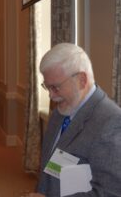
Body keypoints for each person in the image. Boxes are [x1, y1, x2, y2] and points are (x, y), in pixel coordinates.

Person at [29, 43, 121, 197]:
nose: (51, 96)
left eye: (55, 87)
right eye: (47, 87)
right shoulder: (60, 112)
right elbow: (50, 169)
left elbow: (110, 193)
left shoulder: (111, 123)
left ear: (82, 80)